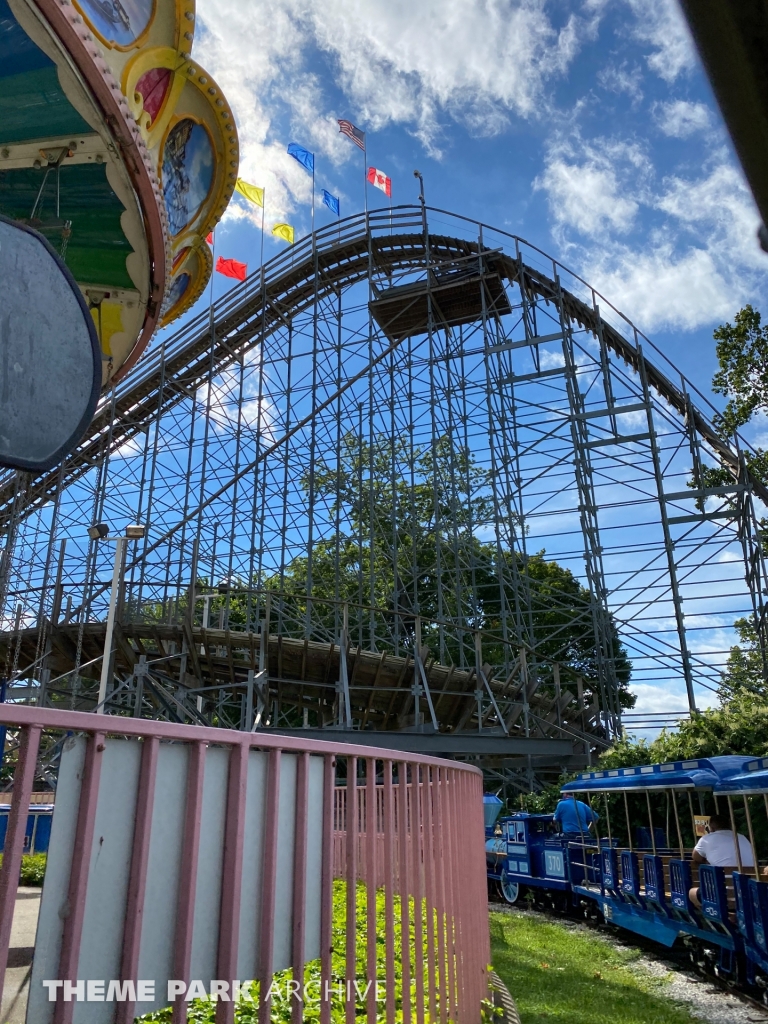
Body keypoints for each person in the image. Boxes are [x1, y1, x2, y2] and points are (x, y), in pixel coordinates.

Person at [688, 813, 755, 907]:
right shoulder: (742, 837)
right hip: (750, 895)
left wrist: (706, 860)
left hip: (724, 896)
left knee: (692, 893)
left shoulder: (706, 839)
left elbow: (696, 857)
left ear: (711, 827)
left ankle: (714, 914)